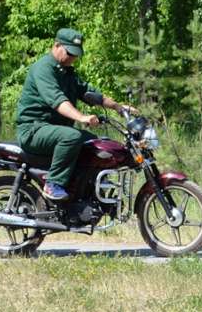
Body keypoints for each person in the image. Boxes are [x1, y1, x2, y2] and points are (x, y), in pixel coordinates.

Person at [16, 28, 135, 201]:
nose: (73, 58)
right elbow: (57, 100)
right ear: (57, 45)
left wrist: (118, 107)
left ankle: (82, 189)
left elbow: (89, 92)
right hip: (34, 129)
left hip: (53, 130)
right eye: (70, 53)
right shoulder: (44, 68)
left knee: (94, 143)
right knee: (71, 136)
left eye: (76, 54)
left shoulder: (66, 71)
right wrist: (82, 117)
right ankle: (53, 184)